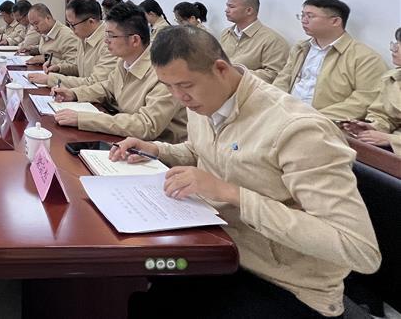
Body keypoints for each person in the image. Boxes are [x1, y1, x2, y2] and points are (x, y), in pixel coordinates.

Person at [116, 26, 380, 319]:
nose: (179, 98)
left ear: (220, 69)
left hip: (284, 283)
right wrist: (157, 149)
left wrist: (231, 193)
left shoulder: (298, 129)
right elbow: (203, 149)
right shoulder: (204, 100)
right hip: (218, 252)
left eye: (185, 86)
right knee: (136, 280)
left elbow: (359, 249)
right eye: (168, 87)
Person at [51, 1, 186, 142]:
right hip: (129, 139)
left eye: (111, 36)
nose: (106, 41)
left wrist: (84, 119)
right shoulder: (124, 61)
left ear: (134, 40)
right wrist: (74, 94)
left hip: (158, 148)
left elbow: (146, 125)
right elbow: (107, 88)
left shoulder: (164, 72)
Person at [273, 0, 385, 120]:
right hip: (286, 112)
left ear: (335, 21)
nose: (303, 21)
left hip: (324, 121)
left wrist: (313, 117)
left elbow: (363, 101)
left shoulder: (365, 57)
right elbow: (283, 79)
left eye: (310, 16)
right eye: (302, 15)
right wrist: (274, 103)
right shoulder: (301, 48)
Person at [29, 0, 116, 89]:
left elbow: (95, 83)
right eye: (69, 24)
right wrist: (59, 67)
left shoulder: (110, 42)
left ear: (91, 22)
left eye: (73, 25)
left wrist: (50, 79)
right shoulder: (84, 36)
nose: (71, 29)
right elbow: (79, 68)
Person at [342, 27, 400, 153]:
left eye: (398, 46)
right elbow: (383, 115)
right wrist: (372, 127)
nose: (393, 49)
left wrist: (391, 139)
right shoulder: (393, 78)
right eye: (395, 44)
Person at [219, 0, 289, 84]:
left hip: (248, 89)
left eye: (231, 7)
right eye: (227, 6)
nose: (226, 10)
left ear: (249, 11)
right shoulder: (226, 33)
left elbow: (274, 75)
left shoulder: (272, 40)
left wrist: (239, 73)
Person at [19, 3, 79, 72]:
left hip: (59, 76)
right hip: (46, 71)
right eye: (32, 25)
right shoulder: (45, 31)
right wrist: (32, 48)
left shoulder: (67, 36)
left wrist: (47, 59)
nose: (35, 28)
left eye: (36, 23)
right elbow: (49, 49)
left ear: (48, 18)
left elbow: (75, 66)